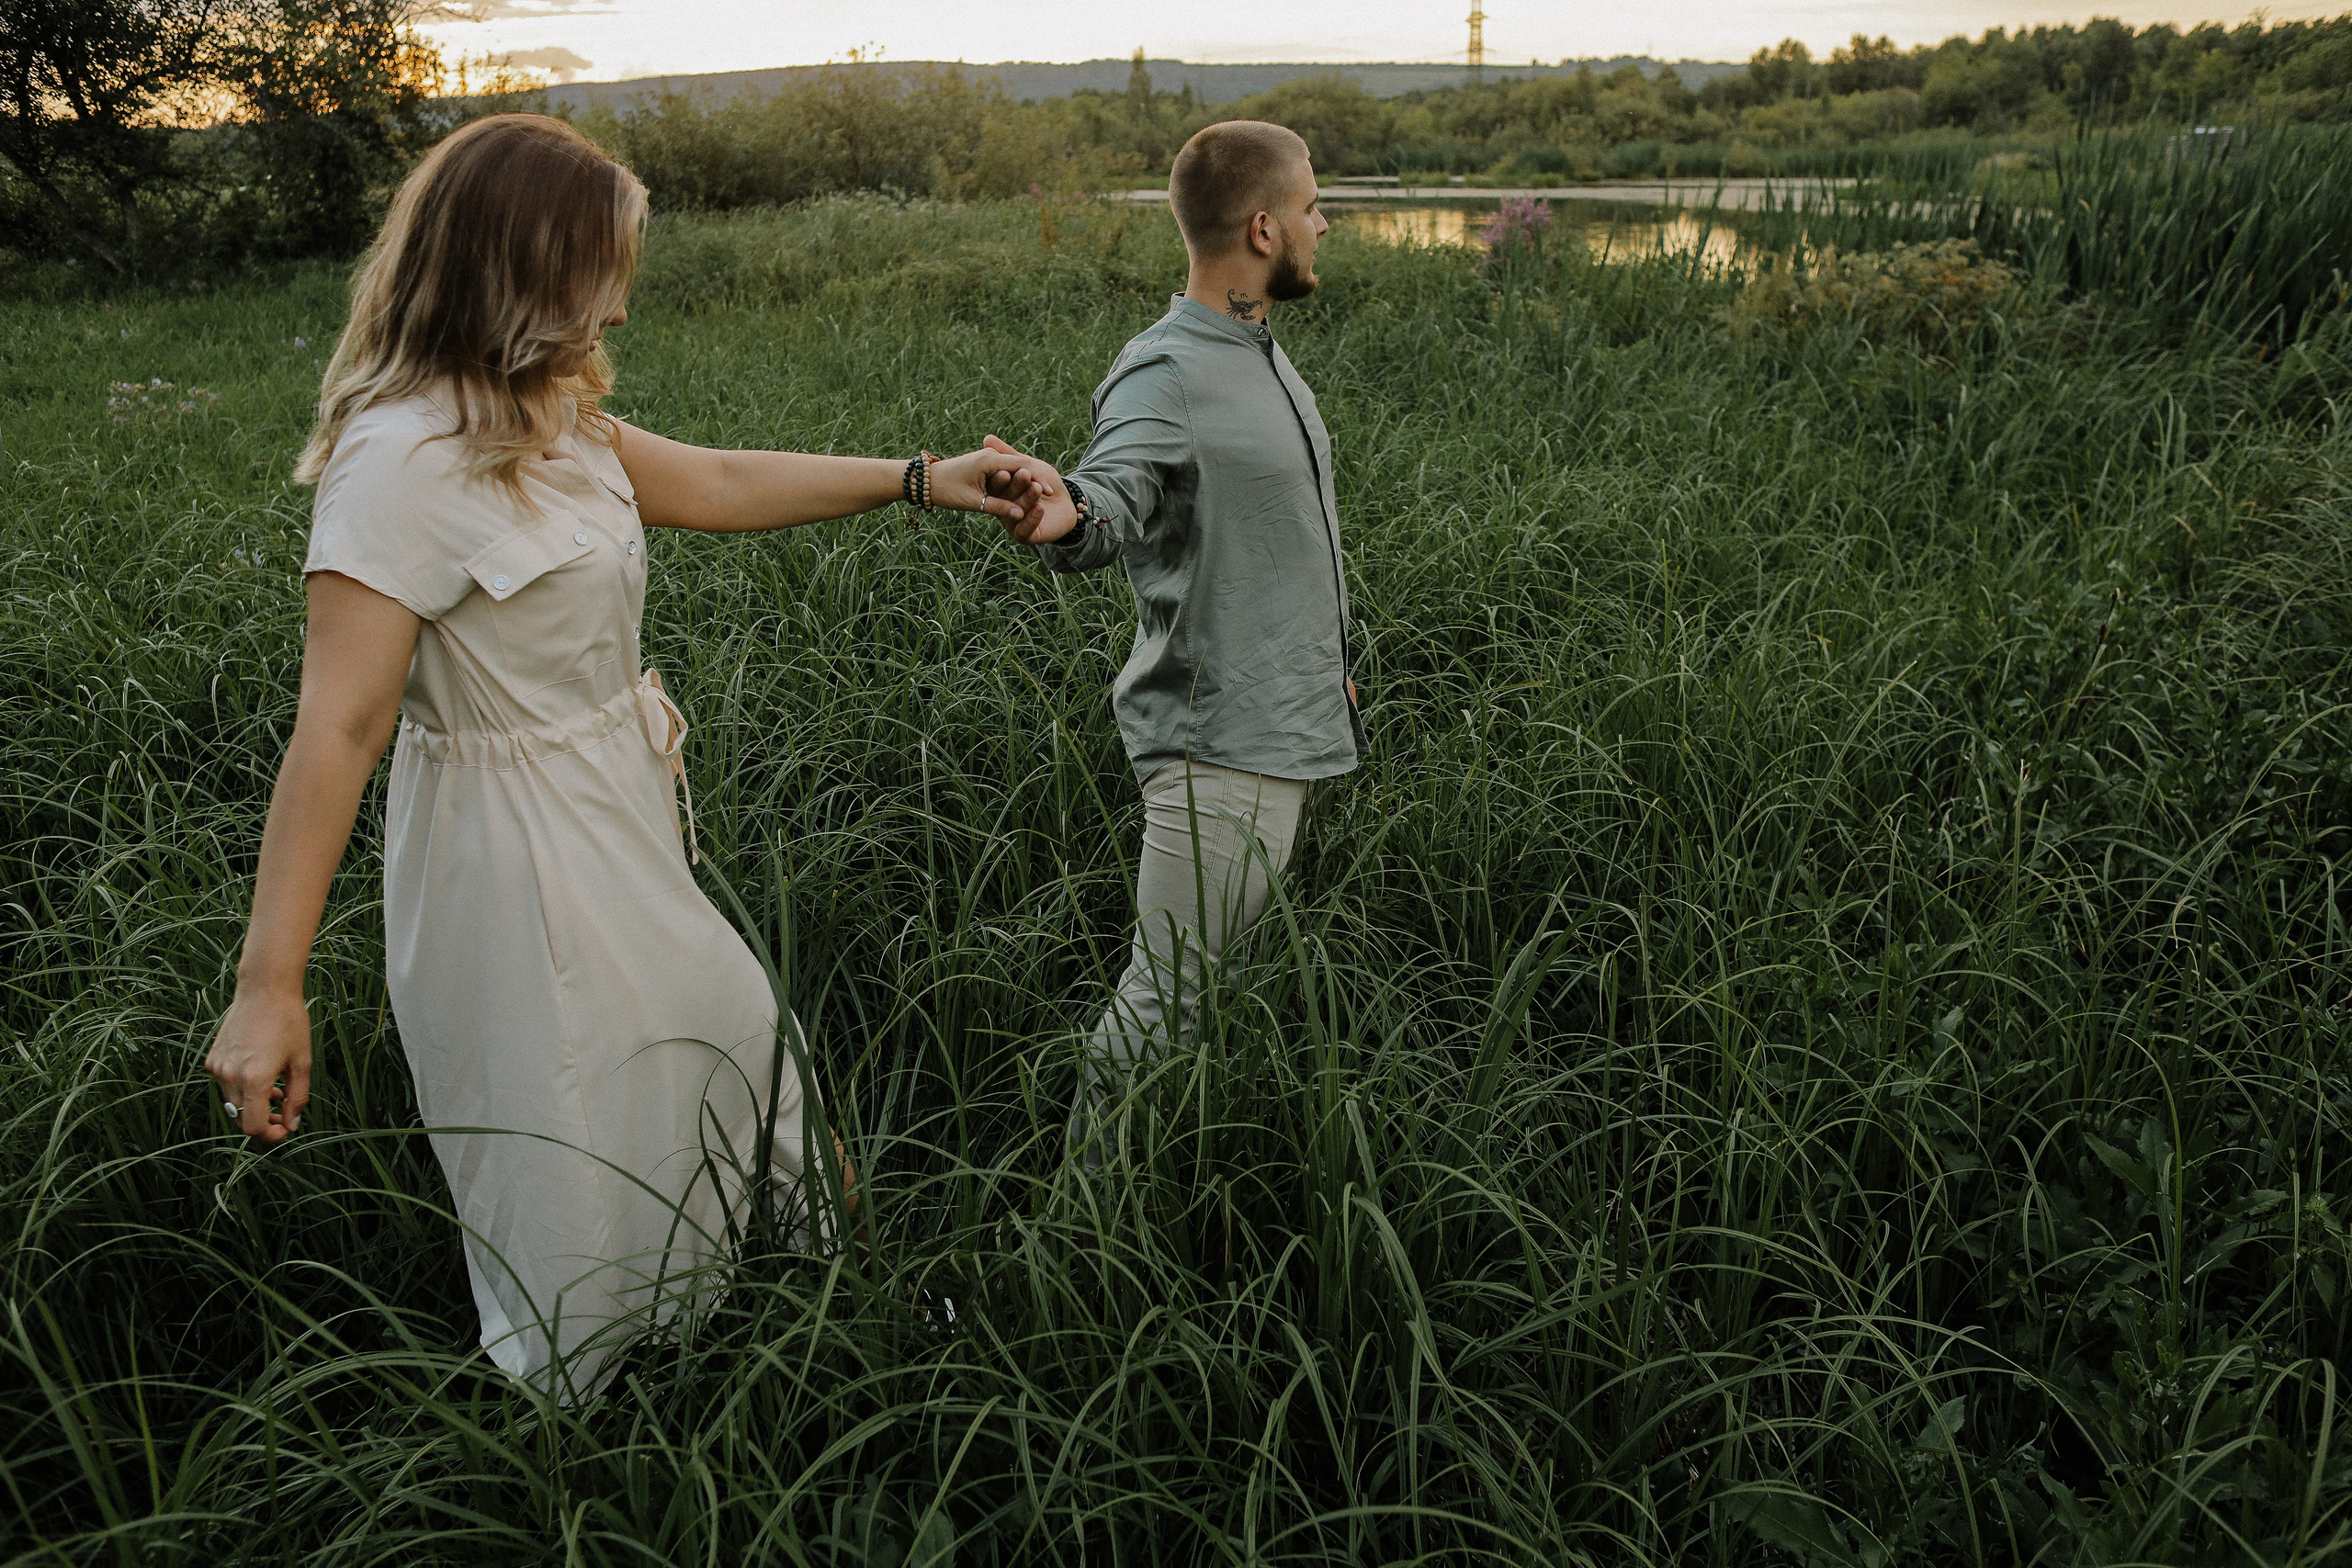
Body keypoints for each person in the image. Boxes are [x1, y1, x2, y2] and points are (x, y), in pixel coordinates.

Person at [202, 113, 1057, 1393]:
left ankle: (839, 1320)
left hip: (618, 802)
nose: (619, 300)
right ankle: (579, 1420)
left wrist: (924, 476)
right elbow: (338, 724)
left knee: (738, 1041)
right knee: (567, 1120)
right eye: (597, 268)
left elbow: (712, 478)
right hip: (510, 849)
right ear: (517, 269)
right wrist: (270, 983)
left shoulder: (551, 416)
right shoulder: (396, 461)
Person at [991, 120, 1364, 1157]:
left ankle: (1149, 1201)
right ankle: (1064, 1250)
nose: (1321, 223)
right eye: (1309, 207)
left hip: (1271, 729)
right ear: (1262, 226)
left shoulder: (1252, 353)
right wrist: (1062, 508)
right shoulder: (1166, 372)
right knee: (1164, 1002)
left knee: (1197, 1002)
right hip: (1217, 746)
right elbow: (1106, 494)